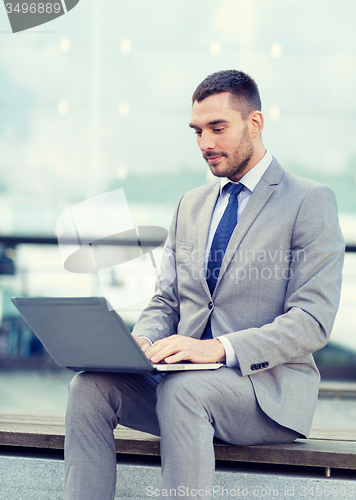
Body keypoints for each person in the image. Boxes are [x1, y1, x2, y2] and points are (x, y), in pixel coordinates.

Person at [64, 70, 344, 500]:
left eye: (218, 128)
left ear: (255, 123)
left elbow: (312, 321)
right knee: (89, 387)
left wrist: (218, 348)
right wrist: (142, 339)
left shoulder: (309, 201)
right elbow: (167, 300)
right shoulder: (190, 205)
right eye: (197, 131)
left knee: (184, 390)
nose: (205, 144)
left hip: (266, 395)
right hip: (182, 383)